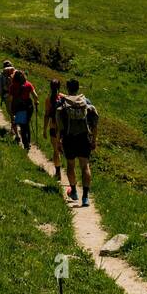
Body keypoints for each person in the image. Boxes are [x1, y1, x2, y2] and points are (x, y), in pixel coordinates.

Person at [56, 78, 99, 206]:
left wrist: (58, 142)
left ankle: (74, 190)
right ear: (78, 88)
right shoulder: (86, 101)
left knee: (70, 164)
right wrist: (94, 140)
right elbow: (94, 124)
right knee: (85, 166)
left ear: (68, 89)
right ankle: (85, 197)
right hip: (84, 137)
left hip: (69, 137)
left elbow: (59, 126)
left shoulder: (63, 102)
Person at [8, 68, 38, 151]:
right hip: (29, 106)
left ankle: (26, 144)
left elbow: (10, 99)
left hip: (19, 107)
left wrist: (11, 109)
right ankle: (28, 142)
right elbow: (35, 96)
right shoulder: (28, 84)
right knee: (26, 124)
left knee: (23, 125)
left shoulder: (12, 86)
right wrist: (36, 102)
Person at [43, 79, 64, 179]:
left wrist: (44, 130)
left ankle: (58, 173)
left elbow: (47, 115)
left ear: (50, 87)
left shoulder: (48, 99)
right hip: (63, 129)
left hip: (53, 128)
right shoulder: (64, 97)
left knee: (56, 151)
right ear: (59, 87)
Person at [0, 61, 17, 140]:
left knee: (11, 113)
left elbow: (0, 88)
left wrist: (2, 97)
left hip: (7, 95)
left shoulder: (1, 75)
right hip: (16, 95)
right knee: (15, 111)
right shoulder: (15, 73)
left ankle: (13, 130)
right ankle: (16, 128)